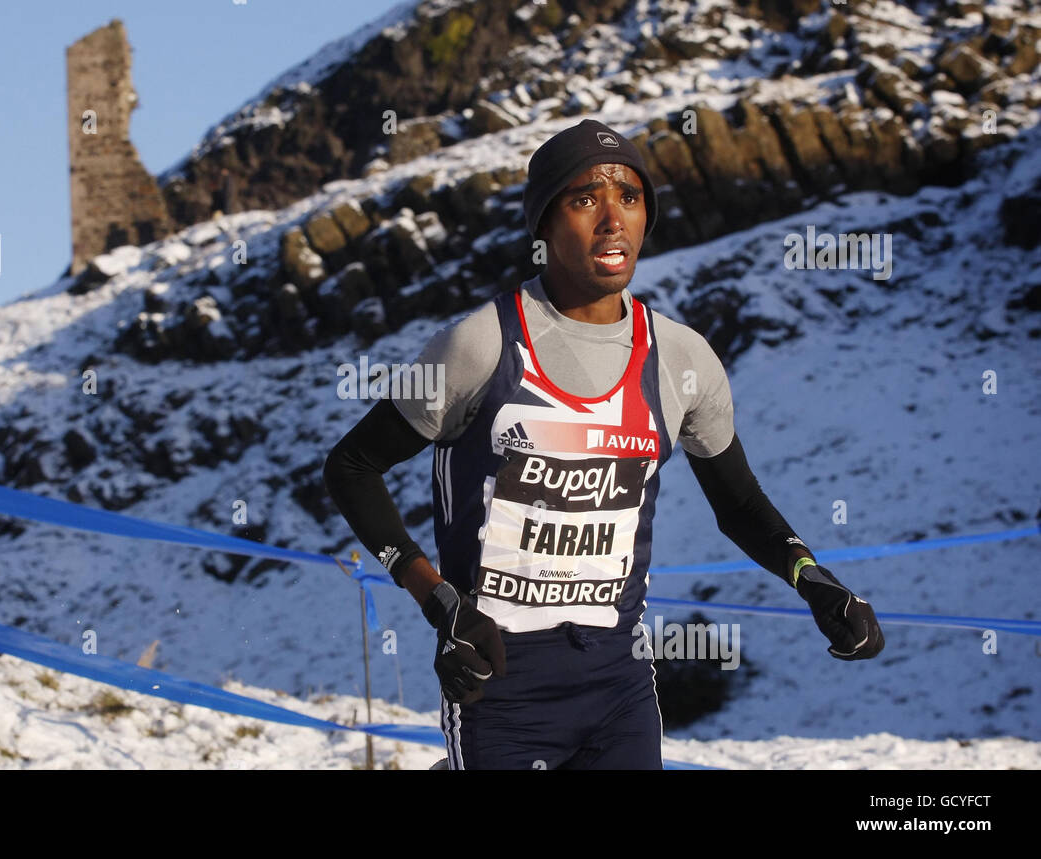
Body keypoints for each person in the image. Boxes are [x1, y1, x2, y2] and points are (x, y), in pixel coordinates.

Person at [323, 118, 884, 770]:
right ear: (543, 224)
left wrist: (811, 578)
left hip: (618, 678)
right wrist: (436, 598)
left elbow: (737, 502)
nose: (612, 217)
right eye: (585, 197)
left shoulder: (681, 359)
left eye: (630, 196)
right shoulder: (480, 345)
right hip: (499, 675)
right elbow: (353, 465)